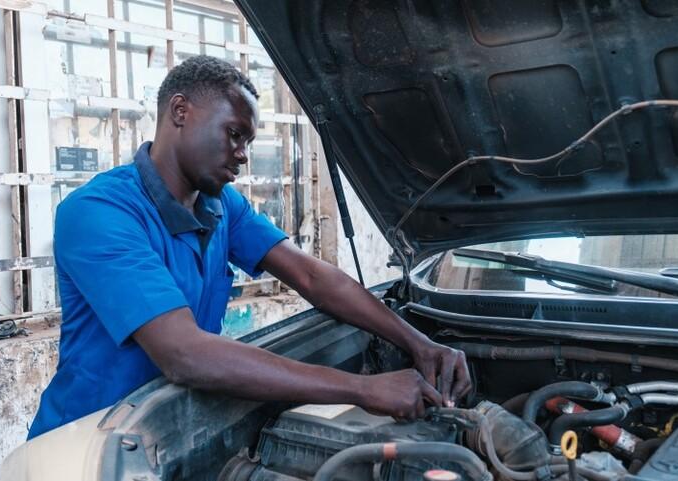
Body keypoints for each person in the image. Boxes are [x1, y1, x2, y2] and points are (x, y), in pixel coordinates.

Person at [28, 55, 470, 439]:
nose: (242, 154)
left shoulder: (222, 205)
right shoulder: (98, 212)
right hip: (87, 443)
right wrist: (364, 389)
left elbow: (310, 276)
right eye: (234, 133)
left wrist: (419, 343)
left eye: (248, 141)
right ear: (180, 111)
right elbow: (185, 355)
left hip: (173, 431)